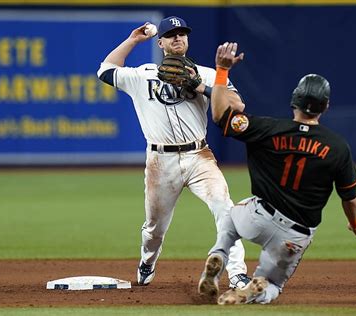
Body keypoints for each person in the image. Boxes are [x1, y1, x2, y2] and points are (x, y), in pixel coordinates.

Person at [197, 42, 356, 304]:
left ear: (294, 100)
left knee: (231, 220)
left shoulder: (266, 129)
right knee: (274, 284)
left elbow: (220, 115)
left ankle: (219, 254)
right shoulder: (337, 147)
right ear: (326, 106)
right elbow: (350, 197)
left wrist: (222, 70)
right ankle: (256, 289)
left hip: (257, 217)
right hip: (294, 235)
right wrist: (355, 224)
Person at [96, 17, 250, 288]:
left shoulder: (206, 74)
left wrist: (200, 87)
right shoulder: (143, 75)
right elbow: (105, 70)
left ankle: (237, 273)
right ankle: (147, 261)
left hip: (199, 156)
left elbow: (238, 104)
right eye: (171, 35)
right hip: (160, 161)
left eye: (182, 34)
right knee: (155, 228)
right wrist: (133, 40)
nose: (178, 38)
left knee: (226, 211)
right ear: (161, 42)